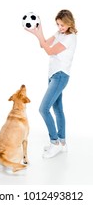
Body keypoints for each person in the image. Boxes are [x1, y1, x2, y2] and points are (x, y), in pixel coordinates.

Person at [25, 9, 77, 158]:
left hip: (60, 76)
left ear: (69, 23)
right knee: (58, 109)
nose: (60, 27)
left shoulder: (70, 37)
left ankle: (55, 143)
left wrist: (39, 36)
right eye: (58, 24)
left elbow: (50, 51)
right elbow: (44, 44)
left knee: (43, 109)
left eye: (62, 24)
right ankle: (62, 142)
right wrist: (38, 32)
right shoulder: (59, 34)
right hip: (53, 75)